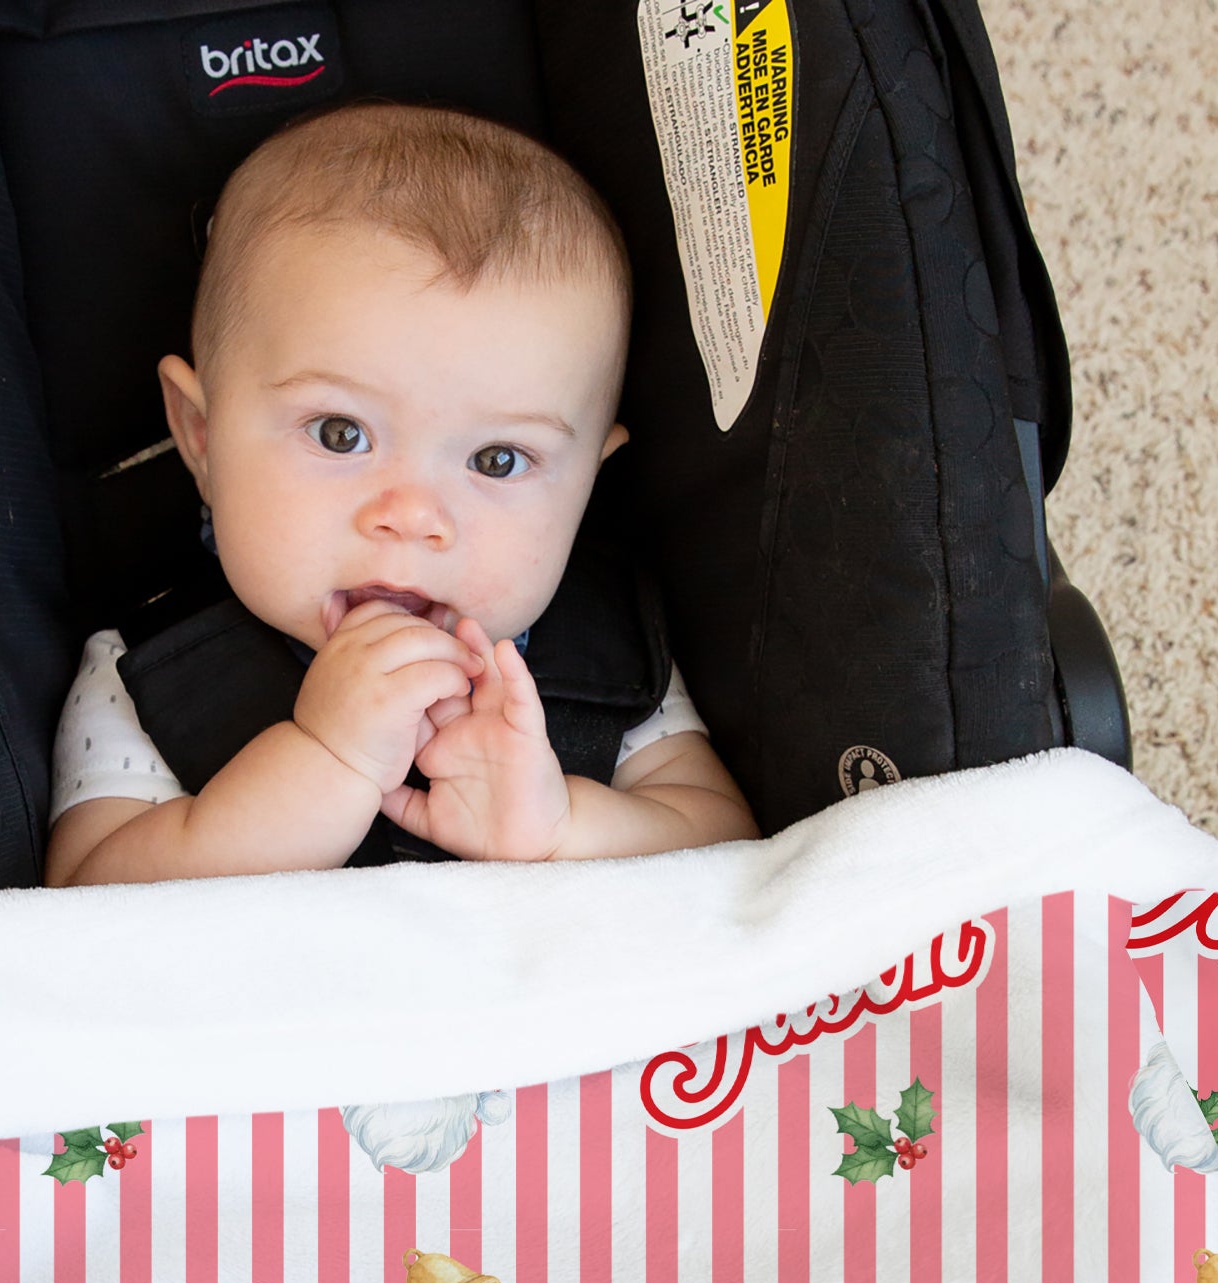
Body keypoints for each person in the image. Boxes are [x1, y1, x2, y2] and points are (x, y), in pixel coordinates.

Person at [45, 101, 757, 886]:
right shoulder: (151, 672)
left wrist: (561, 829)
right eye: (340, 434)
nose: (414, 516)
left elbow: (731, 848)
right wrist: (324, 764)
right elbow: (84, 897)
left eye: (497, 459)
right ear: (202, 436)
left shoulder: (611, 654)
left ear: (587, 483)